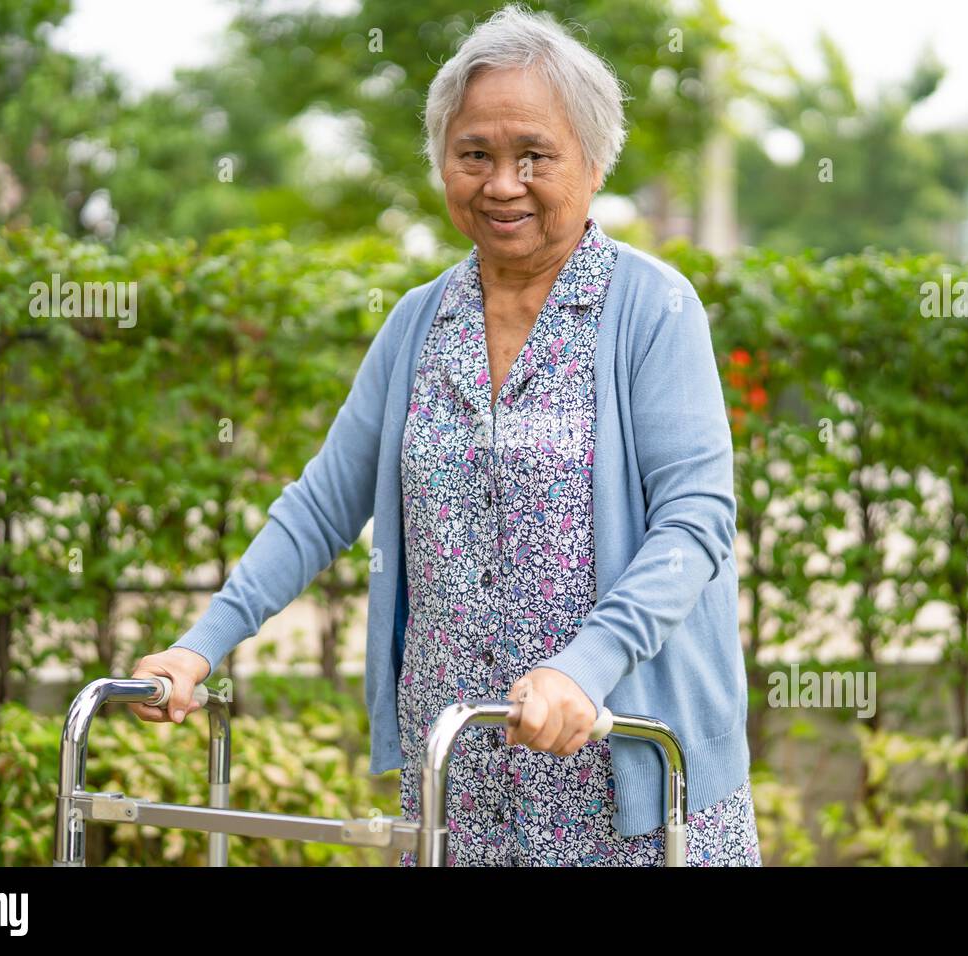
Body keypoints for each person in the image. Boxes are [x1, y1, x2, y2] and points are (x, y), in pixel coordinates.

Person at [130, 2, 760, 867]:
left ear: (593, 160)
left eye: (534, 155)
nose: (502, 183)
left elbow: (695, 525)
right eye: (475, 155)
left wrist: (586, 664)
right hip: (458, 773)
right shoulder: (419, 324)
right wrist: (199, 649)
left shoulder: (652, 309)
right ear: (443, 163)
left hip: (620, 771)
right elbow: (321, 506)